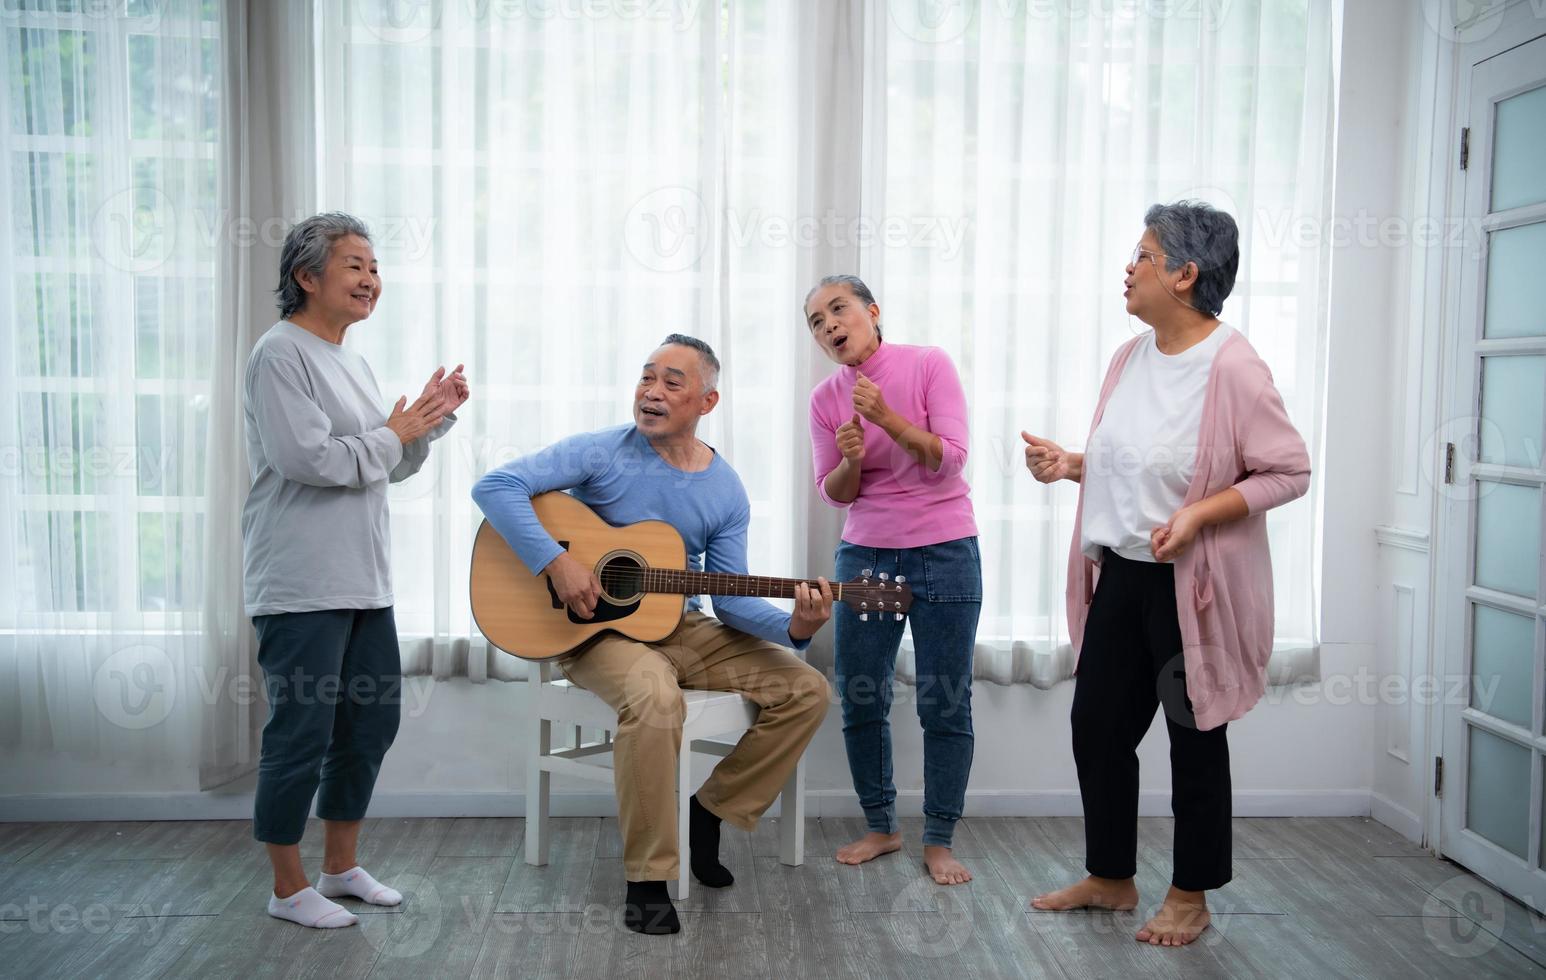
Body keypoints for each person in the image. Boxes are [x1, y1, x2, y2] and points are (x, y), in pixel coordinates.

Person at [471, 334, 833, 936]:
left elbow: (731, 599)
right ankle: (647, 878)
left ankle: (711, 811)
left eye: (671, 382)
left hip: (681, 625)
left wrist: (796, 625)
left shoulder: (725, 489)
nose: (651, 392)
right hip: (592, 634)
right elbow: (495, 487)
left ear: (707, 402)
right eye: (646, 378)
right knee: (654, 696)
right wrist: (554, 563)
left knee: (807, 689)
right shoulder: (602, 451)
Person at [1024, 201, 1310, 946]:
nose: (1130, 266)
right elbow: (1139, 460)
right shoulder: (1130, 358)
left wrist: (1200, 516)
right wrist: (1073, 466)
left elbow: (1288, 470)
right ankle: (1112, 876)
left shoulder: (1234, 366)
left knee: (1194, 736)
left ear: (1185, 274)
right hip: (1123, 572)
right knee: (1097, 728)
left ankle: (1191, 894)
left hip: (1189, 587)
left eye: (1143, 255)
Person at [242, 212, 469, 929]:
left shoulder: (352, 361)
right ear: (306, 277)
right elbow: (309, 461)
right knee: (300, 733)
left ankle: (340, 867)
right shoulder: (280, 354)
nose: (372, 278)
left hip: (364, 580)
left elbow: (383, 465)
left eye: (374, 266)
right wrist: (390, 433)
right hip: (302, 581)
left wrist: (426, 423)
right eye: (354, 265)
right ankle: (287, 888)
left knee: (369, 723)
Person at [805, 274, 981, 886]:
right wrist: (853, 457)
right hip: (867, 556)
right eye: (816, 321)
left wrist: (888, 418)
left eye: (838, 309)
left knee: (945, 700)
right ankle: (882, 826)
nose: (828, 325)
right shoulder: (826, 399)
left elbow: (951, 458)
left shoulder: (928, 364)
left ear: (873, 312)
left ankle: (938, 837)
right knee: (861, 694)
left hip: (946, 550)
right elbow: (834, 494)